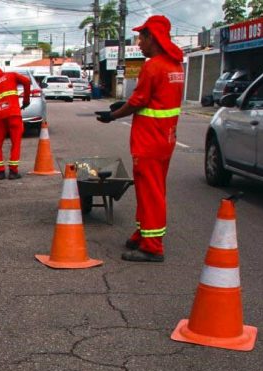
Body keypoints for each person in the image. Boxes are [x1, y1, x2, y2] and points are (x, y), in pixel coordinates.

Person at [95, 15, 184, 262]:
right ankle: (143, 234)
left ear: (151, 37)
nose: (139, 44)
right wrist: (126, 104)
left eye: (141, 38)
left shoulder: (153, 66)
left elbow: (139, 101)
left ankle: (152, 247)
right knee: (153, 189)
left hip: (150, 140)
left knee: (150, 192)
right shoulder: (175, 66)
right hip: (165, 138)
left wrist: (113, 115)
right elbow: (152, 99)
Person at [0, 67, 32, 180]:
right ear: (1, 72)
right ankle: (13, 171)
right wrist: (26, 100)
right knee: (16, 142)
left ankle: (0, 172)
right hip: (13, 113)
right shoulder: (11, 75)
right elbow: (27, 81)